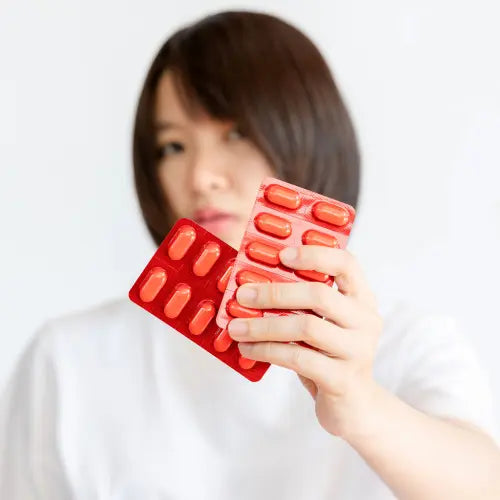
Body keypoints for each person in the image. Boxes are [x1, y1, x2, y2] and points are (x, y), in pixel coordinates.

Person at [1, 10, 499, 500]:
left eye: (235, 133)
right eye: (172, 146)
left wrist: (362, 408)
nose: (200, 177)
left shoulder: (407, 344)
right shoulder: (67, 362)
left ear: (306, 133)